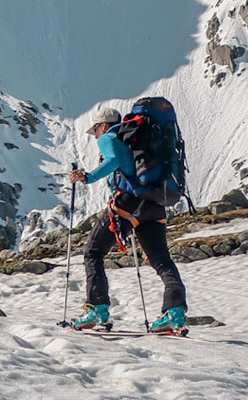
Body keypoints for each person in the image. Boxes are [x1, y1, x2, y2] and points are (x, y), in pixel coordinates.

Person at [70, 106, 188, 333]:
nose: (95, 135)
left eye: (95, 130)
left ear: (103, 125)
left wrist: (88, 176)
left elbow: (113, 160)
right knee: (161, 259)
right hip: (154, 205)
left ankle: (97, 308)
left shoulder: (109, 137)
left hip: (128, 203)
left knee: (93, 252)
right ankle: (175, 311)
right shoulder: (134, 138)